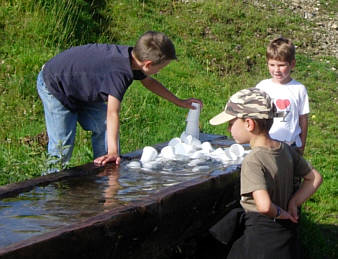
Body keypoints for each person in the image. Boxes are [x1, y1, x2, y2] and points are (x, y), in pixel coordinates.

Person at [37, 31, 202, 172]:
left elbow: (149, 82)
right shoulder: (119, 73)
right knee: (62, 145)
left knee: (102, 126)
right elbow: (112, 112)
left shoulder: (131, 59)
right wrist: (114, 151)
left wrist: (179, 101)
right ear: (148, 64)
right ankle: (50, 189)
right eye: (162, 67)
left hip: (80, 85)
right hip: (56, 86)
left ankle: (105, 173)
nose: (160, 71)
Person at [209, 88, 322, 258]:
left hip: (261, 239)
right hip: (285, 238)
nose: (227, 129)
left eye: (231, 123)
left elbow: (264, 206)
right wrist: (293, 203)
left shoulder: (253, 160)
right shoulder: (284, 148)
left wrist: (281, 214)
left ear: (249, 124)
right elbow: (315, 177)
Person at [256, 37, 309, 155]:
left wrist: (302, 145)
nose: (276, 70)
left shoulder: (299, 89)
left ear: (292, 64)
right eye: (272, 65)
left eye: (281, 65)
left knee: (288, 173)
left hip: (291, 146)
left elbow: (303, 119)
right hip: (266, 144)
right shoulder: (262, 86)